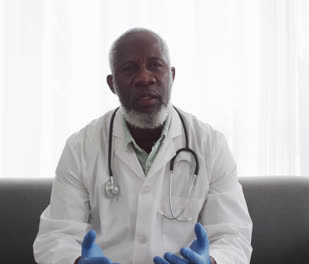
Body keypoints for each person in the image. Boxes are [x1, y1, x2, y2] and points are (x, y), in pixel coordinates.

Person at [33, 28, 253, 264]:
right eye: (129, 69)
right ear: (112, 84)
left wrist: (210, 262)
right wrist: (77, 262)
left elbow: (233, 237)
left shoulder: (211, 145)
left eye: (155, 65)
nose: (145, 78)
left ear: (172, 75)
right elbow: (56, 237)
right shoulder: (80, 147)